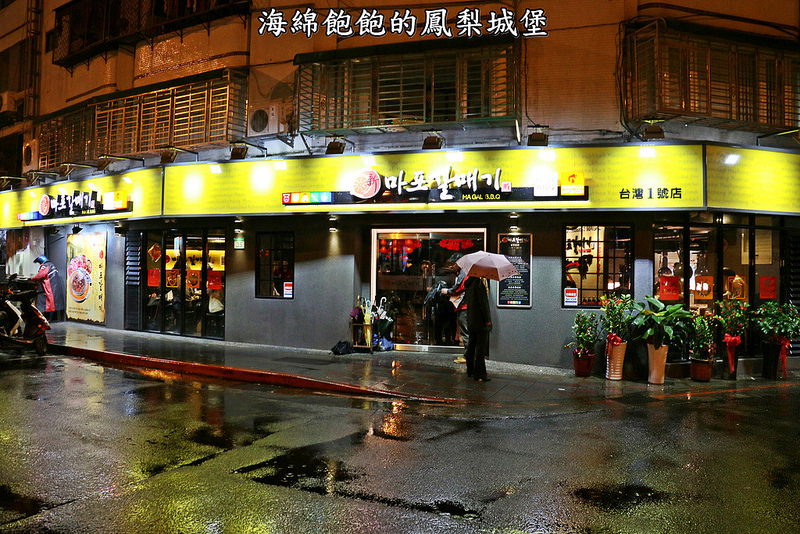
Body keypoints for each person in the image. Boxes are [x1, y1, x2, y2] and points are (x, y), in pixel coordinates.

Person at [463, 276, 492, 382]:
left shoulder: (468, 284)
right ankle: (480, 374)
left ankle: (470, 369)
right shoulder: (479, 284)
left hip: (471, 320)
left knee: (471, 345)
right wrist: (488, 320)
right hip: (480, 321)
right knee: (480, 348)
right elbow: (483, 304)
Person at [441, 263, 469, 363]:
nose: (452, 266)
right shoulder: (466, 273)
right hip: (467, 305)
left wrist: (448, 291)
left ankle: (468, 356)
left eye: (454, 264)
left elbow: (459, 287)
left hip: (465, 306)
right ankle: (469, 355)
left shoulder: (464, 273)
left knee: (465, 331)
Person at [32, 255, 65, 321]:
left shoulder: (45, 266)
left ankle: (47, 319)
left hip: (50, 287)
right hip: (55, 286)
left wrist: (32, 278)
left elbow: (40, 275)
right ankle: (49, 318)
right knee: (52, 304)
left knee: (49, 304)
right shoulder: (51, 265)